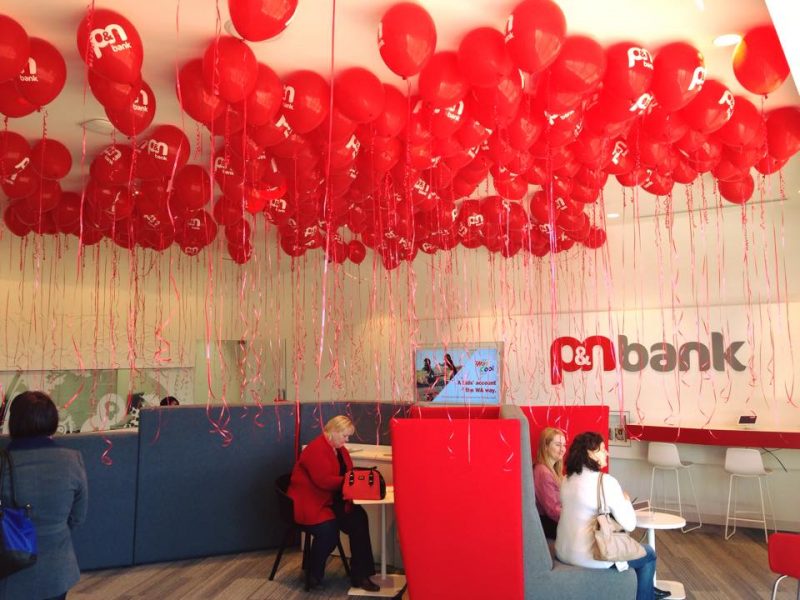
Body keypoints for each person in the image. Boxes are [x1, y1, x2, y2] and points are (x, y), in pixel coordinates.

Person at [555, 432, 668, 600]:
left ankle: (645, 592)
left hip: (563, 551)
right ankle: (645, 594)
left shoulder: (566, 479)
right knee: (649, 554)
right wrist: (626, 500)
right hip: (592, 556)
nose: (606, 452)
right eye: (602, 449)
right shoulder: (605, 482)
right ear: (590, 453)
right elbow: (630, 524)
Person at [0, 391, 88, 600]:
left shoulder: (3, 463)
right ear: (53, 421)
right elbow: (78, 517)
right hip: (57, 570)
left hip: (9, 570)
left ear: (14, 422)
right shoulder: (72, 460)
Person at [288, 416, 379, 592]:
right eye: (345, 435)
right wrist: (350, 481)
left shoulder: (338, 449)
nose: (347, 440)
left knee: (359, 519)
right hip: (312, 502)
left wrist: (352, 482)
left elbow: (348, 473)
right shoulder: (315, 450)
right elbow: (324, 481)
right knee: (328, 533)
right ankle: (313, 574)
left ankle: (361, 575)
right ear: (334, 432)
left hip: (331, 500)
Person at [533, 427, 566, 539]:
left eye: (564, 445)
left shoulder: (551, 469)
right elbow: (552, 511)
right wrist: (574, 520)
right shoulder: (544, 473)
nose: (562, 449)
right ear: (545, 447)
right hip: (549, 525)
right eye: (558, 445)